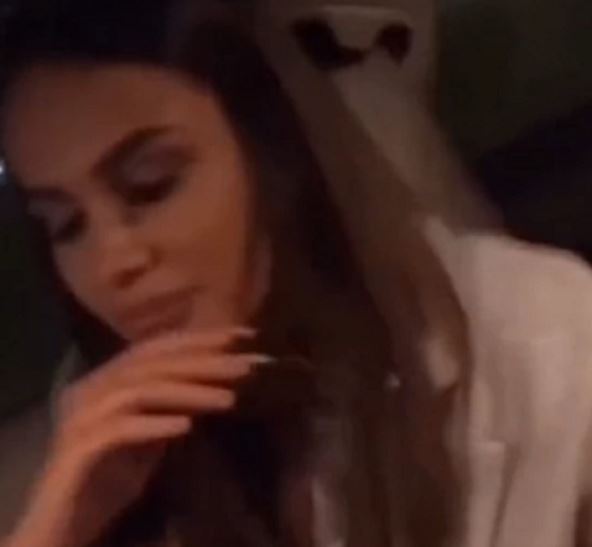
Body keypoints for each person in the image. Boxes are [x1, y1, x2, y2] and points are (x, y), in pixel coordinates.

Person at [2, 1, 592, 547]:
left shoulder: (542, 344)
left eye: (151, 184)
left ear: (272, 150)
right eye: (65, 225)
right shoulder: (103, 423)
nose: (111, 264)